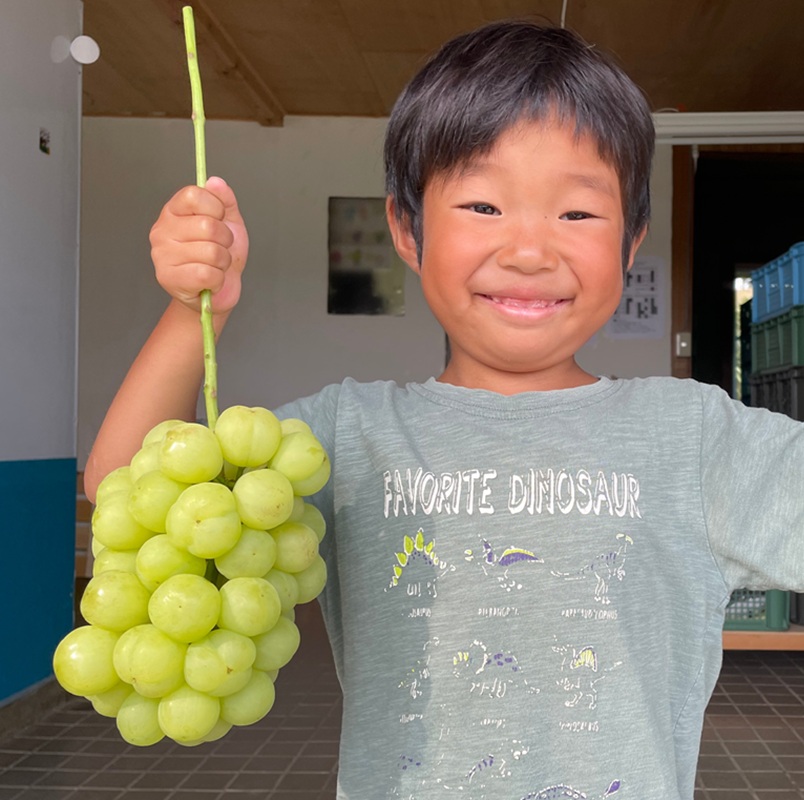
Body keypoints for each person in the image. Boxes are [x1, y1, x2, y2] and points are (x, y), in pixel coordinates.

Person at [83, 19, 804, 800]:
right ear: (406, 227)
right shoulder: (346, 434)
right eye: (484, 206)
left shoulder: (693, 435)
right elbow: (125, 487)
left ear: (630, 244)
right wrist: (197, 314)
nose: (530, 250)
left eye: (578, 214)